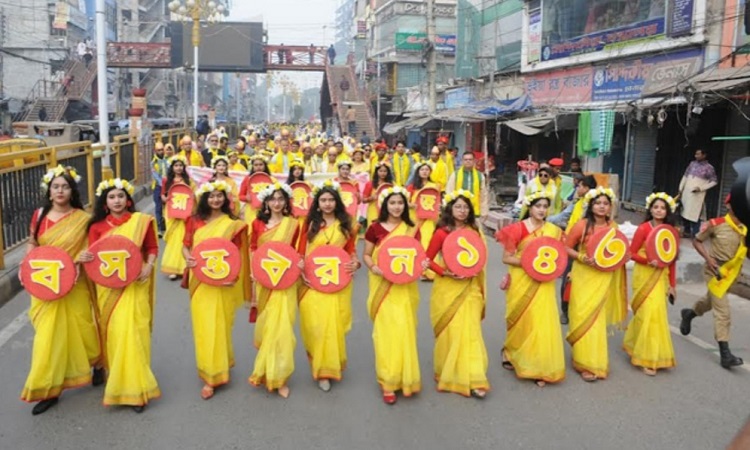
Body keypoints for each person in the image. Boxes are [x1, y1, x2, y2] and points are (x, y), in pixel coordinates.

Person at [19, 166, 102, 416]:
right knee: (48, 337)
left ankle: (97, 362)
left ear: (71, 190)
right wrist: (27, 264)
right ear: (49, 190)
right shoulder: (40, 214)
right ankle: (48, 389)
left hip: (74, 282)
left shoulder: (82, 218)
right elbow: (32, 242)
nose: (60, 191)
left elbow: (88, 247)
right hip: (45, 285)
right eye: (55, 187)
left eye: (65, 186)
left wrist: (76, 261)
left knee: (83, 328)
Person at [81, 178, 160, 413]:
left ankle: (137, 390)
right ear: (105, 202)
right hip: (108, 289)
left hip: (135, 285)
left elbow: (152, 248)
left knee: (135, 333)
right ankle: (117, 383)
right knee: (115, 335)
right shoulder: (96, 227)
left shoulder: (141, 222)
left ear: (128, 199)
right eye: (112, 197)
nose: (117, 201)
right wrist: (85, 257)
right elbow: (93, 256)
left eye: (121, 196)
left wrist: (148, 266)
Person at [183, 181, 249, 400]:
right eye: (211, 196)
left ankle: (219, 366)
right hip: (200, 280)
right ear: (204, 199)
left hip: (223, 281)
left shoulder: (233, 223)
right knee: (204, 325)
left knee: (220, 324)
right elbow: (186, 245)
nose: (215, 200)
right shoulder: (194, 221)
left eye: (219, 196)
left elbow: (238, 253)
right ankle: (211, 375)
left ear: (226, 198)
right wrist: (188, 258)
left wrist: (233, 277)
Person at [497, 192, 566, 387]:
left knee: (541, 322)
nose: (542, 210)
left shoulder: (553, 230)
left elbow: (558, 256)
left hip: (543, 283)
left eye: (545, 206)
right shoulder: (517, 229)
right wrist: (530, 263)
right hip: (522, 281)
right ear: (530, 207)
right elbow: (506, 258)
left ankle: (537, 366)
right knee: (522, 320)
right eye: (538, 206)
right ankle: (510, 351)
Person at [425, 190, 490, 397]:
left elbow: (480, 257)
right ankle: (451, 370)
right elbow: (427, 259)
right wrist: (445, 272)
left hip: (470, 287)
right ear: (450, 209)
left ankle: (474, 376)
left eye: (465, 207)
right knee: (452, 330)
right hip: (447, 287)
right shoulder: (442, 232)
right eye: (458, 207)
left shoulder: (474, 230)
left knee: (470, 329)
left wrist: (473, 270)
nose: (462, 211)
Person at [297, 181, 360, 391]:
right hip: (312, 283)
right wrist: (302, 270)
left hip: (337, 282)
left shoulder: (346, 223)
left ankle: (327, 368)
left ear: (337, 202)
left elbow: (351, 250)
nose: (327, 204)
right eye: (323, 200)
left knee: (333, 325)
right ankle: (320, 366)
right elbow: (300, 251)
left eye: (331, 199)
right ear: (317, 203)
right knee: (316, 326)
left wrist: (355, 262)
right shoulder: (309, 224)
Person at [362, 186, 422, 405]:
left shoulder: (411, 228)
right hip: (382, 286)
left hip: (404, 288)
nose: (396, 207)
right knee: (386, 333)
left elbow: (418, 256)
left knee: (404, 330)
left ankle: (406, 378)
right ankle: (388, 380)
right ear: (384, 205)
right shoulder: (375, 228)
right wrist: (373, 267)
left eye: (400, 203)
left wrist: (422, 265)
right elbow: (367, 255)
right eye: (392, 203)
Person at [565, 187, 628, 382]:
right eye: (598, 203)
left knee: (596, 321)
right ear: (591, 206)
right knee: (581, 316)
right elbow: (566, 247)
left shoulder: (614, 228)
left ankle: (595, 362)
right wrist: (582, 257)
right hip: (583, 275)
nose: (602, 207)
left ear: (610, 207)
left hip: (603, 278)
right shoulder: (581, 225)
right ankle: (582, 359)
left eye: (605, 204)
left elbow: (619, 252)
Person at [679, 194, 746, 369]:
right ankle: (725, 355)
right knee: (723, 311)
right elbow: (697, 241)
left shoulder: (744, 227)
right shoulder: (716, 224)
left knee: (710, 302)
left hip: (732, 274)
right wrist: (708, 259)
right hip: (715, 272)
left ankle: (689, 314)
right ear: (728, 205)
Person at [248, 183, 300, 398]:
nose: (277, 203)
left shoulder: (294, 225)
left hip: (286, 280)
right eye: (273, 199)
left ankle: (279, 376)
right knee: (267, 325)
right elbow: (252, 248)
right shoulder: (258, 224)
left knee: (282, 328)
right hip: (264, 280)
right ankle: (266, 368)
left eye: (281, 199)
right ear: (266, 202)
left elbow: (298, 251)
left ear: (286, 202)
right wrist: (254, 269)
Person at [623, 193, 678, 376]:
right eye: (656, 207)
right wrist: (648, 261)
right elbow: (631, 253)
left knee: (655, 315)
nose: (659, 210)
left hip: (661, 277)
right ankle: (641, 352)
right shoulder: (643, 229)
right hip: (644, 275)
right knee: (644, 314)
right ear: (650, 209)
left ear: (667, 211)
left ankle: (651, 357)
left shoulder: (671, 231)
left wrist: (672, 285)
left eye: (662, 208)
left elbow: (672, 260)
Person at [548, 174, 597, 324]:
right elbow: (563, 217)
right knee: (568, 278)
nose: (578, 188)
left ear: (588, 189)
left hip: (593, 246)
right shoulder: (577, 204)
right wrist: (543, 220)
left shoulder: (594, 205)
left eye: (581, 186)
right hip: (574, 245)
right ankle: (566, 311)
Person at [160, 155, 194, 280]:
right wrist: (167, 198)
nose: (178, 168)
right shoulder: (166, 180)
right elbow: (162, 196)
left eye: (180, 166)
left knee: (184, 239)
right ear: (172, 167)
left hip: (185, 213)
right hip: (171, 212)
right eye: (176, 166)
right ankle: (173, 268)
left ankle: (184, 267)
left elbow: (193, 195)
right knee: (173, 239)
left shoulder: (188, 180)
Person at [406, 161, 439, 281]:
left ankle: (429, 271)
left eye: (427, 170)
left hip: (428, 219)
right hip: (413, 218)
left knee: (427, 242)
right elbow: (406, 202)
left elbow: (437, 202)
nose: (424, 172)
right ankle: (408, 267)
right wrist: (412, 205)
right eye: (422, 170)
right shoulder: (411, 187)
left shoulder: (434, 186)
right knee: (410, 242)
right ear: (417, 172)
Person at [678, 149, 718, 238]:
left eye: (698, 154)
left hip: (697, 195)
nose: (696, 156)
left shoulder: (709, 168)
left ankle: (696, 235)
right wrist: (681, 188)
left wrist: (700, 188)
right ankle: (686, 232)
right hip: (686, 193)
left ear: (704, 155)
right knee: (684, 212)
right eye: (695, 154)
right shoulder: (692, 164)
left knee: (694, 215)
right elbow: (685, 176)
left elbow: (714, 182)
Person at [446, 152, 486, 217]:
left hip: (474, 210)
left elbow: (483, 195)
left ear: (474, 161)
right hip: (458, 210)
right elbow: (449, 192)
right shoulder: (455, 175)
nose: (468, 161)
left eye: (470, 160)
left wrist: (484, 212)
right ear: (462, 161)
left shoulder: (480, 176)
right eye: (466, 160)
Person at [238, 155, 273, 228]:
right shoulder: (247, 179)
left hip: (267, 210)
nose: (258, 167)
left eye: (261, 164)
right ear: (252, 166)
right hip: (251, 210)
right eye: (256, 165)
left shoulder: (271, 179)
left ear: (265, 166)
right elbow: (240, 196)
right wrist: (246, 198)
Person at [363, 162, 394, 228]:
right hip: (373, 210)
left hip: (387, 210)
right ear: (376, 172)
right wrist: (371, 198)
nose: (383, 173)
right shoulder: (370, 184)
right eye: (380, 171)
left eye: (385, 171)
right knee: (373, 229)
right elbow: (363, 200)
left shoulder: (391, 184)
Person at [152, 142, 168, 236]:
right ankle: (159, 228)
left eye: (162, 149)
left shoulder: (168, 161)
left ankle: (166, 226)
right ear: (155, 151)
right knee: (158, 208)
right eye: (159, 150)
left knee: (167, 207)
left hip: (167, 186)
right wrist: (163, 183)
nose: (161, 151)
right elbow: (156, 176)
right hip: (158, 187)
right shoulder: (153, 163)